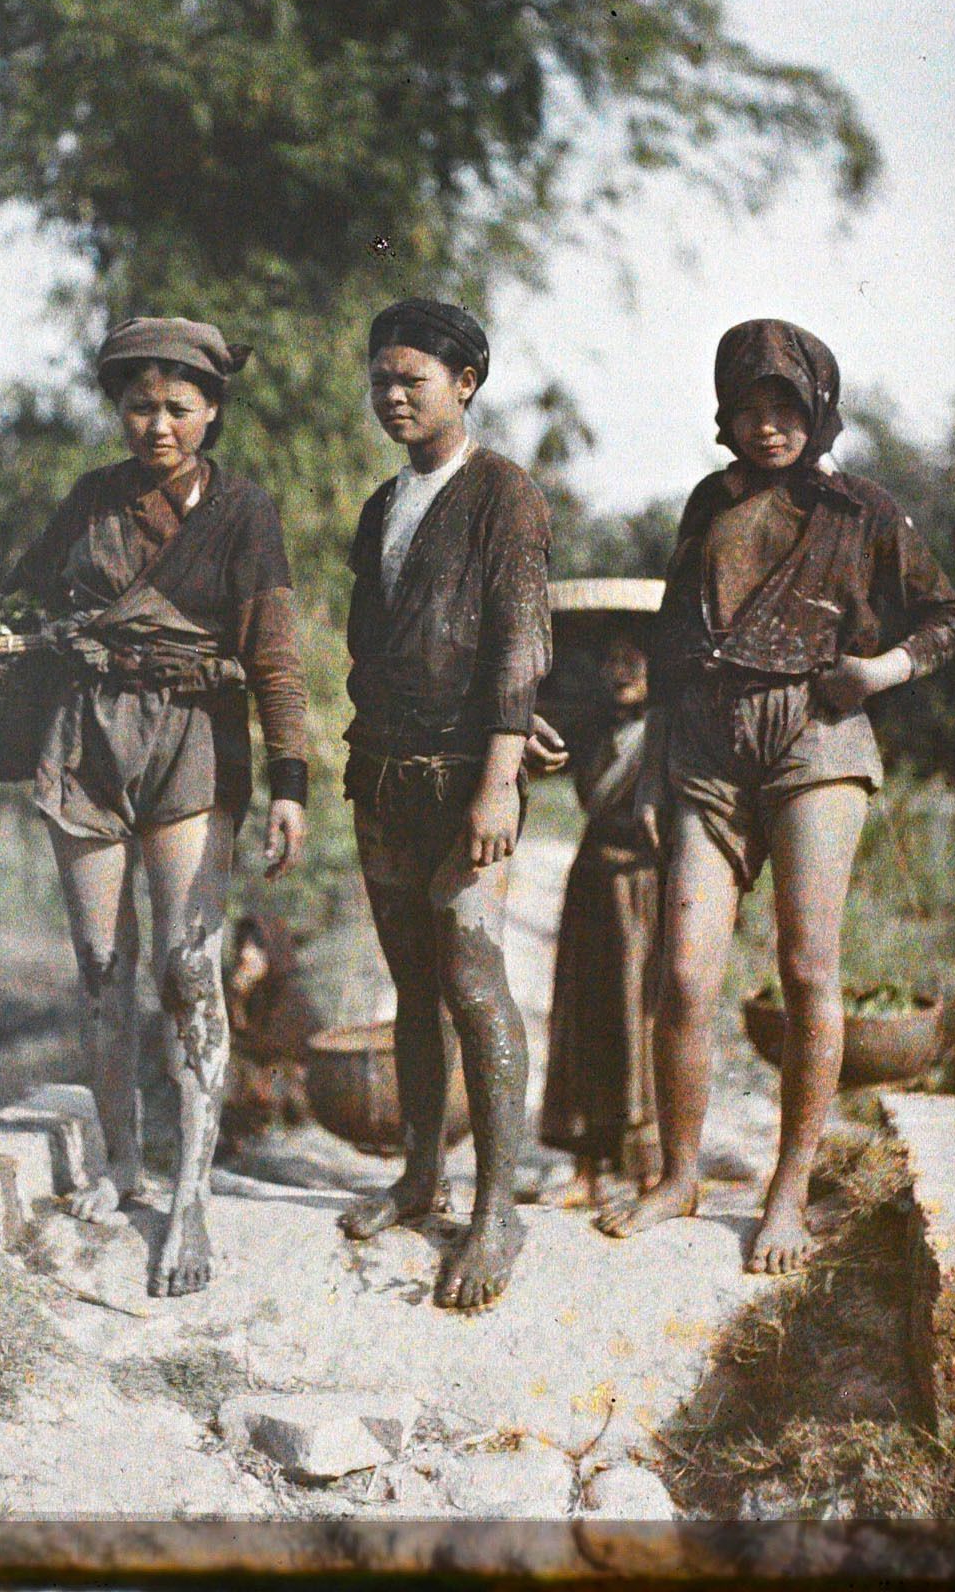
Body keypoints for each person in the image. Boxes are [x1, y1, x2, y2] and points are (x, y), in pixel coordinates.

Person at [598, 319, 955, 1274]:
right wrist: (651, 773)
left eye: (786, 407)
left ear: (817, 410)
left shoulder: (864, 510)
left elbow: (948, 617)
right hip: (706, 747)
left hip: (816, 736)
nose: (768, 427)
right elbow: (675, 653)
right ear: (724, 418)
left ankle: (787, 1194)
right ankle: (679, 1175)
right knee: (682, 973)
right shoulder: (703, 505)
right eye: (749, 408)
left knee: (809, 969)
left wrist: (879, 669)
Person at [7, 316, 308, 1297]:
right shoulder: (91, 500)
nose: (159, 423)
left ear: (212, 411)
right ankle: (119, 1166)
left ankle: (189, 1196)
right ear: (119, 408)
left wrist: (291, 781)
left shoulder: (244, 511)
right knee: (102, 964)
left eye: (180, 406)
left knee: (188, 968)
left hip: (194, 737)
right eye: (140, 404)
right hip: (87, 739)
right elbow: (19, 600)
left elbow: (273, 654)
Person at [339, 297, 552, 1311]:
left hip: (466, 781)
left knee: (472, 981)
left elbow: (519, 646)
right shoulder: (383, 504)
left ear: (464, 383)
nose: (392, 394)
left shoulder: (503, 494)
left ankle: (496, 1208)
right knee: (410, 989)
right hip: (381, 775)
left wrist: (498, 778)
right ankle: (421, 1179)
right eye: (380, 377)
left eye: (411, 378)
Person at [536, 621, 662, 1207]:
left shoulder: (669, 734)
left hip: (647, 883)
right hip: (592, 879)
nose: (624, 670)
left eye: (636, 657)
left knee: (642, 1015)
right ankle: (585, 1168)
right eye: (613, 658)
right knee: (585, 1015)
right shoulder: (585, 731)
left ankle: (647, 1169)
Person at [220, 910, 320, 1144]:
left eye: (256, 947)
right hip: (259, 1091)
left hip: (295, 1095)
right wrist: (236, 998)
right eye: (243, 946)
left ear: (272, 951)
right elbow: (230, 1037)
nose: (246, 954)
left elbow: (269, 1049)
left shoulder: (288, 996)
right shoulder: (247, 993)